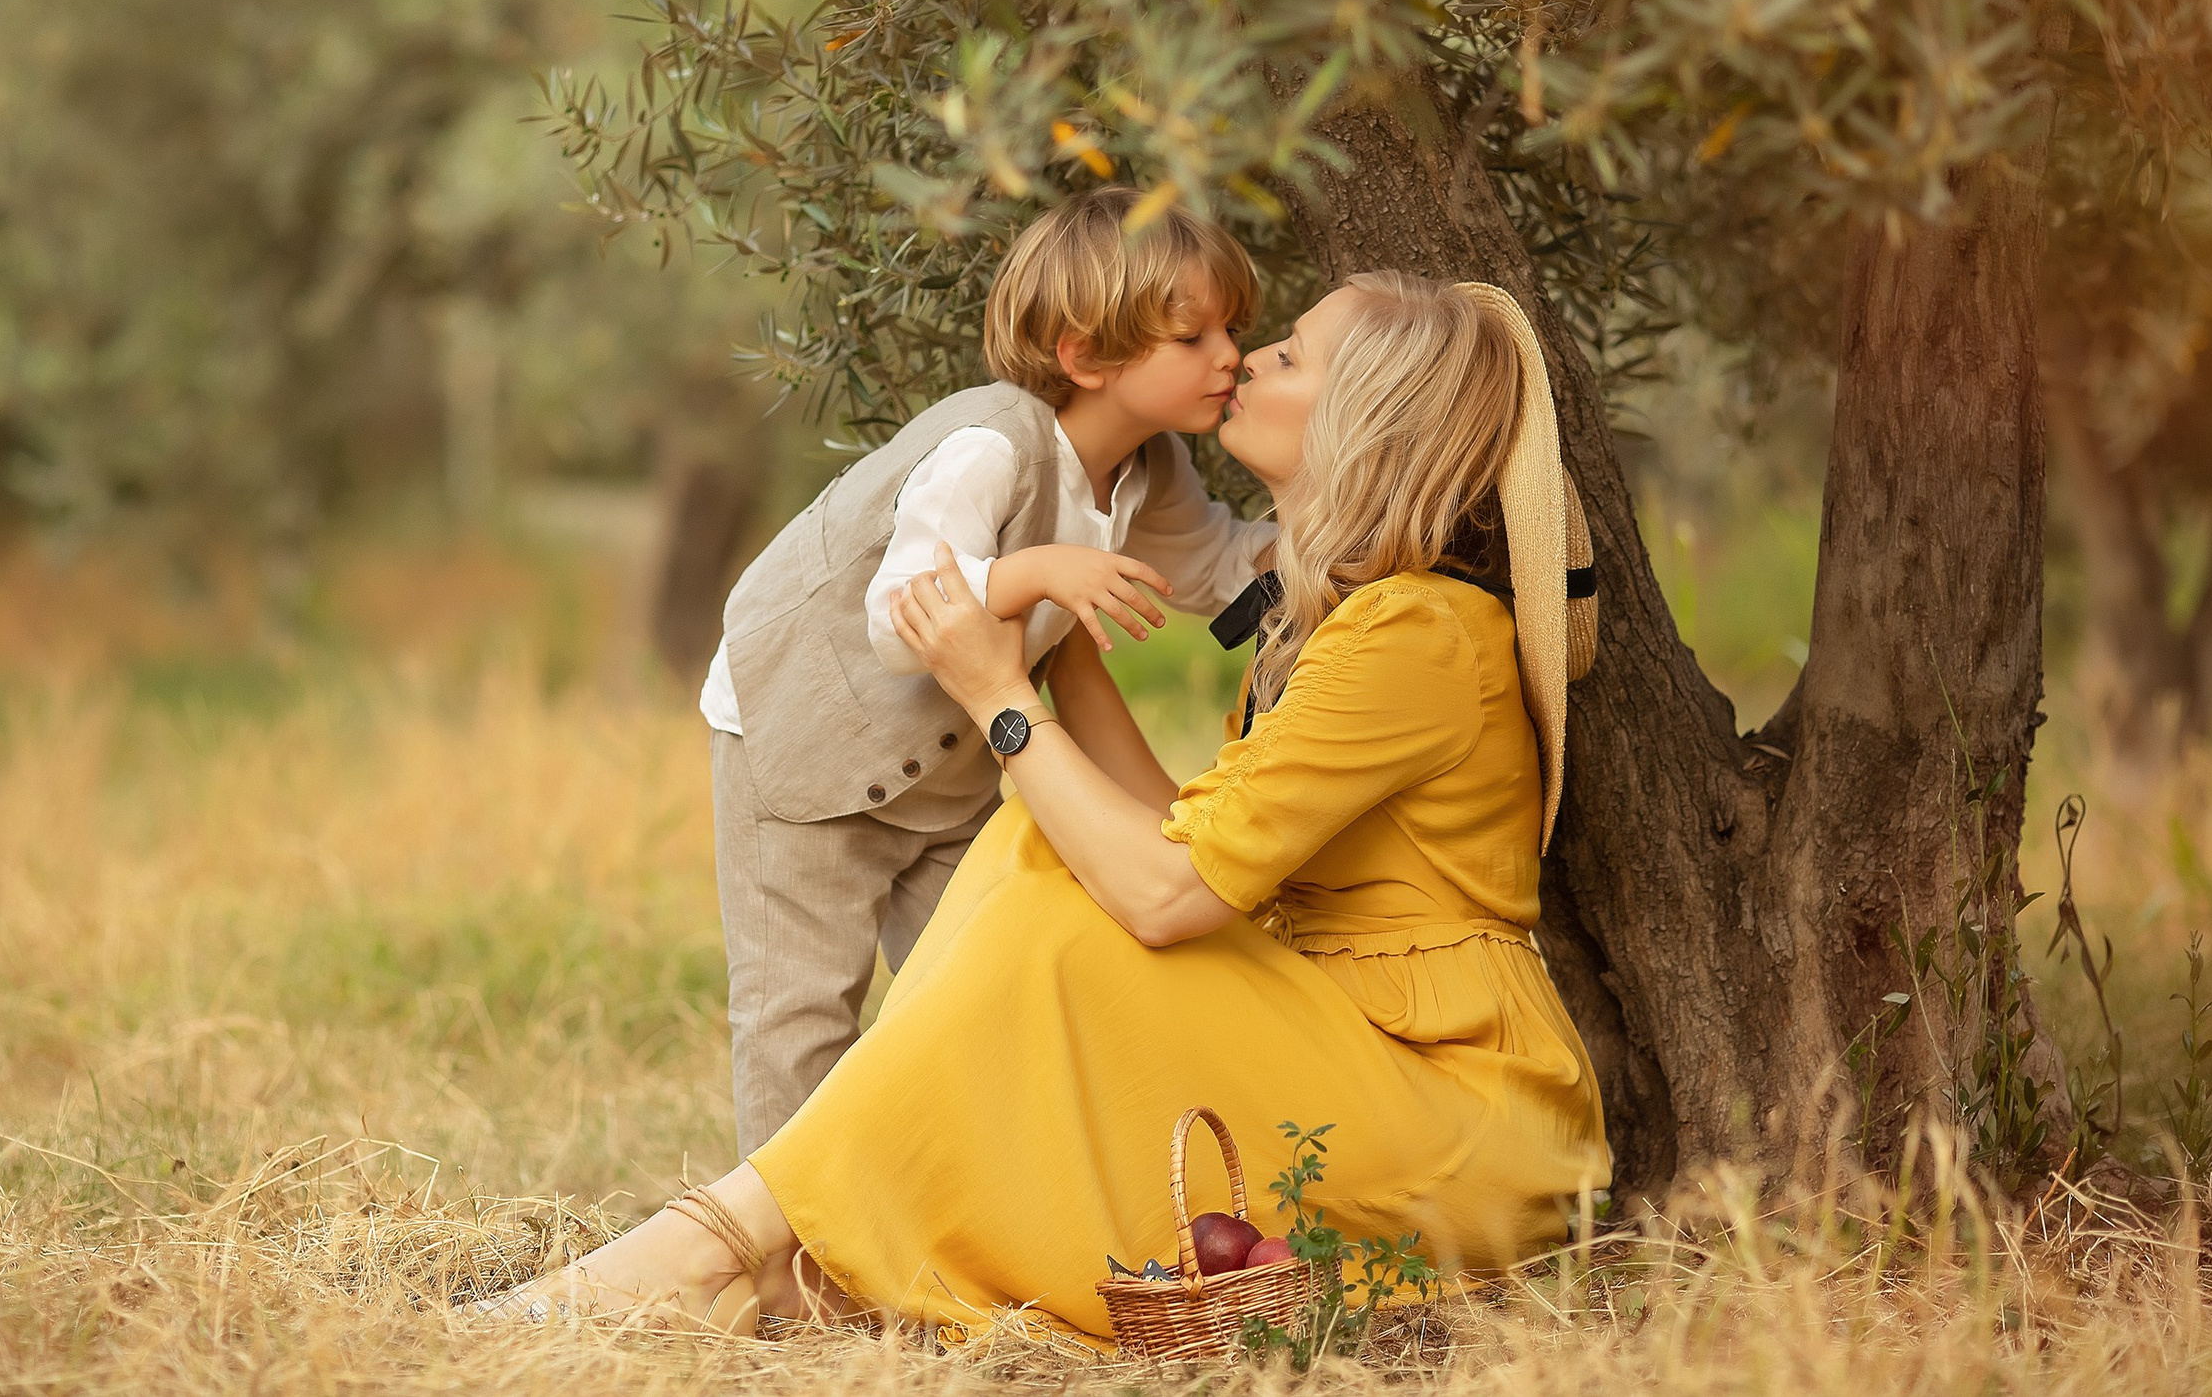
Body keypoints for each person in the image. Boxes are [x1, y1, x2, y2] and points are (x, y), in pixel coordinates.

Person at [484, 270, 1611, 1341]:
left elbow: (1169, 896)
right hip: (1347, 1049)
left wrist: (994, 695)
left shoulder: (1413, 633)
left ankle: (712, 1243)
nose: (1246, 367)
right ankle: (774, 1251)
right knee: (1040, 843)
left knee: (1063, 907)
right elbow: (1190, 842)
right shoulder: (1351, 621)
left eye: (1284, 355)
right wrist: (1053, 651)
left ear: (1366, 417)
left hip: (1445, 1106)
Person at [697, 185, 1279, 1156]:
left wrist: (1358, 546)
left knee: (972, 991)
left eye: (1234, 330)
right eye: (1193, 337)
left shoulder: (1152, 469)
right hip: (801, 741)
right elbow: (899, 615)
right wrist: (1037, 570)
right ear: (1086, 356)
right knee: (798, 1011)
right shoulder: (988, 442)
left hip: (950, 773)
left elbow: (1220, 566)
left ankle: (931, 1209)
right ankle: (785, 1267)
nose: (1230, 356)